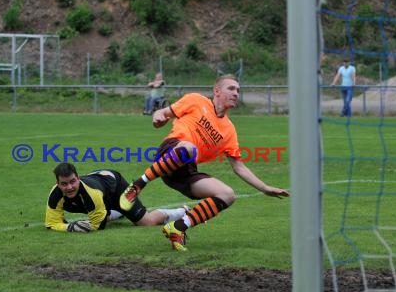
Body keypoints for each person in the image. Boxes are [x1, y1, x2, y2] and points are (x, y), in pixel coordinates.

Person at [119, 74, 289, 251]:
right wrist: (158, 117)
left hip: (184, 172)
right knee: (189, 149)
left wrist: (265, 188)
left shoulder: (229, 130)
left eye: (238, 90)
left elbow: (238, 166)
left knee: (227, 194)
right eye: (231, 88)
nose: (236, 93)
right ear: (217, 91)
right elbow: (163, 112)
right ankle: (137, 185)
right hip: (171, 150)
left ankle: (177, 228)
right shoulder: (196, 100)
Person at [45, 162, 189, 232]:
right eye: (64, 184)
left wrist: (68, 227)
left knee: (146, 222)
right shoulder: (54, 195)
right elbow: (51, 224)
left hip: (116, 187)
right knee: (101, 215)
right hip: (102, 190)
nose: (69, 187)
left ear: (78, 178)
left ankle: (183, 211)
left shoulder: (91, 194)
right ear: (57, 184)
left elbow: (97, 226)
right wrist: (70, 227)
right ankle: (119, 212)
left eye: (72, 182)